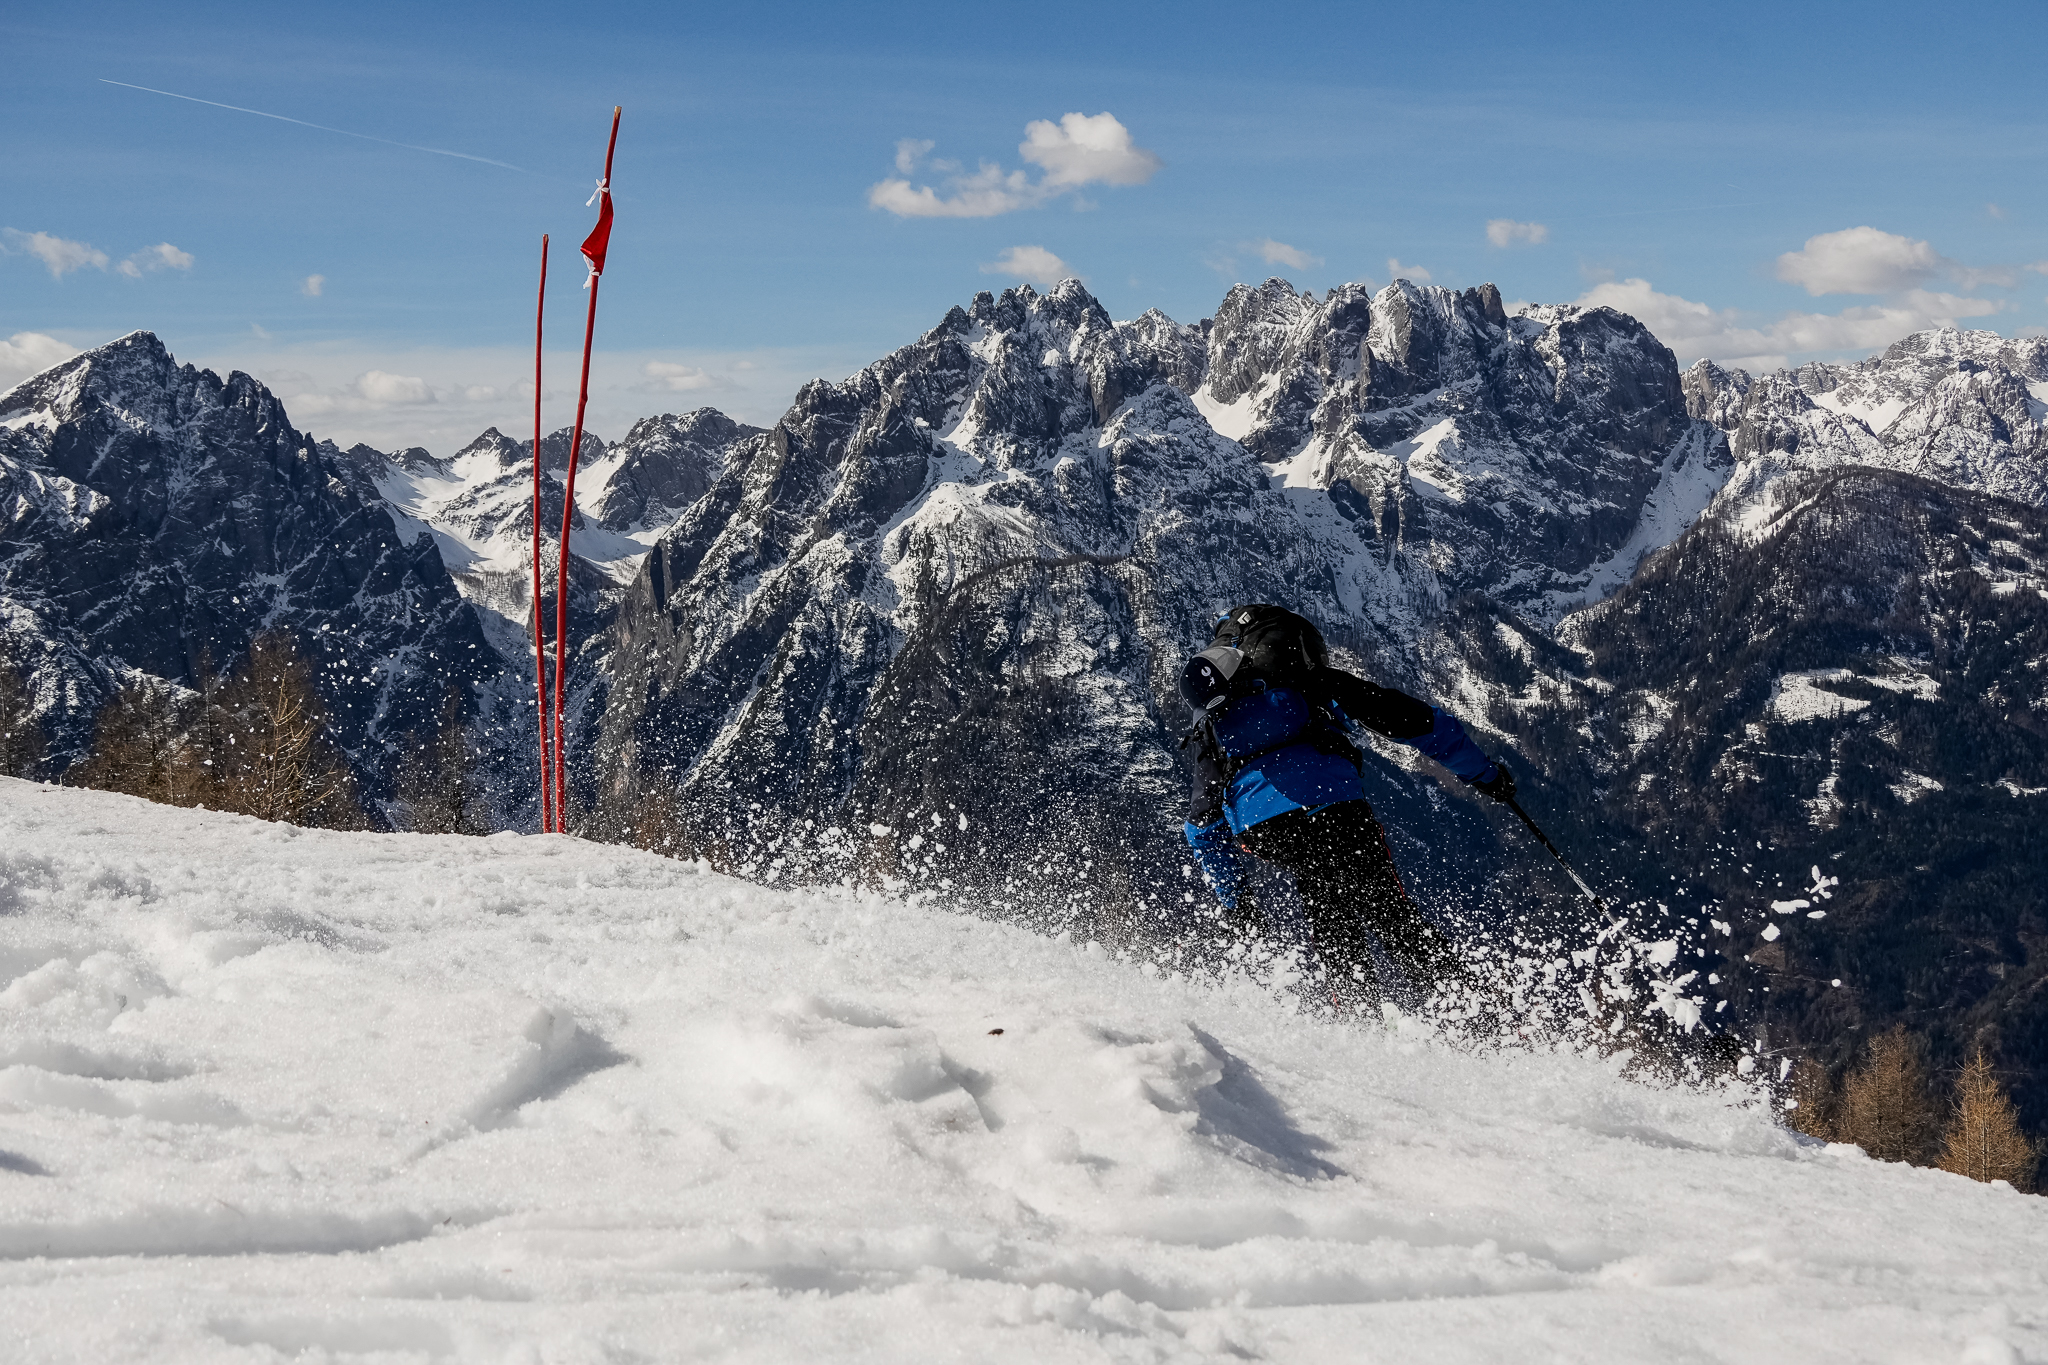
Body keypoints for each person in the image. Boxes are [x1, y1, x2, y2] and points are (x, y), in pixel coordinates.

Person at [1178, 604, 1515, 1010]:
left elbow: (1202, 825)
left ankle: (1358, 1016)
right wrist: (1486, 777)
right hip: (1335, 809)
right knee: (1390, 913)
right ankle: (1478, 1014)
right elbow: (1419, 723)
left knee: (1326, 901)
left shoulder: (1216, 717)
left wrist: (1237, 902)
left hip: (1265, 831)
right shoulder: (1312, 682)